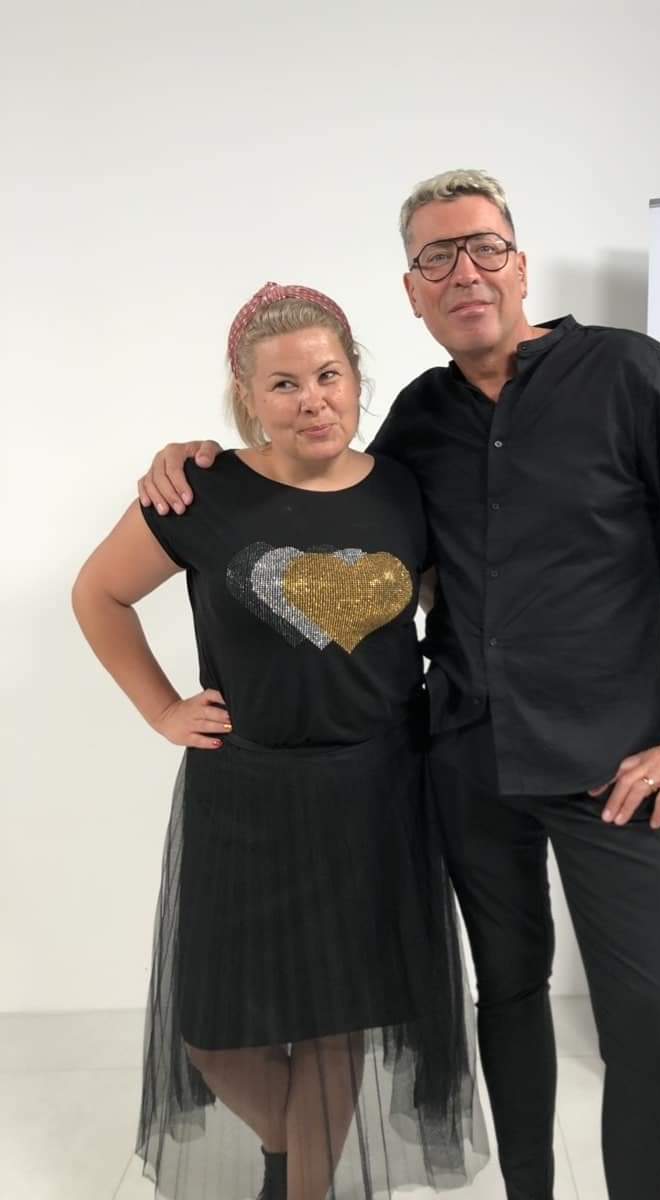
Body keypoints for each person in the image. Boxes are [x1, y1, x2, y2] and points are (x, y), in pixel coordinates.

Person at [138, 171, 660, 1200]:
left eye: (484, 247)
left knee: (654, 1024)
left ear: (520, 265)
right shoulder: (418, 422)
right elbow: (338, 508)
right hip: (469, 761)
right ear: (412, 292)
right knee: (509, 996)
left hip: (617, 767)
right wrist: (201, 458)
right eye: (437, 257)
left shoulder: (629, 374)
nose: (464, 271)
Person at [72, 282, 487, 1200]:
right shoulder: (199, 492)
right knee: (214, 1038)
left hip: (377, 791)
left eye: (329, 376)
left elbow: (450, 602)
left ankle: (302, 1187)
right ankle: (295, 1156)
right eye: (286, 384)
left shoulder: (404, 490)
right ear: (248, 396)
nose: (313, 401)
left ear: (356, 378)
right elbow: (97, 594)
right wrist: (161, 709)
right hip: (245, 795)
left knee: (339, 1023)